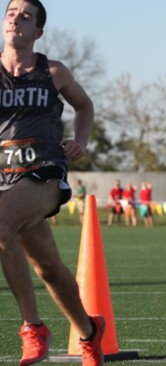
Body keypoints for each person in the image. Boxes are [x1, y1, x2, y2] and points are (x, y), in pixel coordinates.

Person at [0, 1, 105, 365]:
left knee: (0, 226)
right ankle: (90, 333)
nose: (16, 18)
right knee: (48, 268)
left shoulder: (53, 71)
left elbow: (85, 107)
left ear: (38, 32)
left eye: (25, 16)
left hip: (44, 169)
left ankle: (33, 328)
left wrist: (81, 141)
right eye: (11, 13)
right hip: (4, 178)